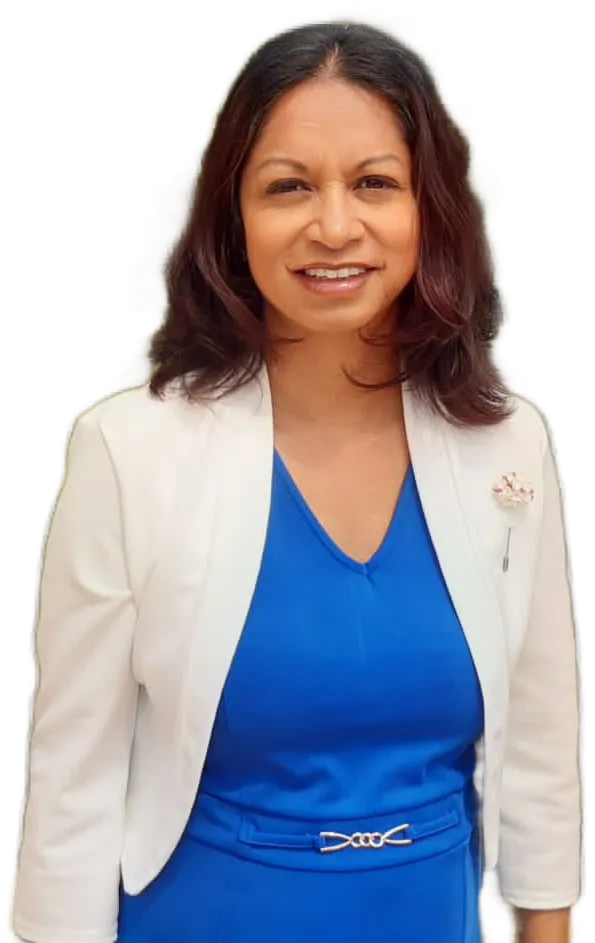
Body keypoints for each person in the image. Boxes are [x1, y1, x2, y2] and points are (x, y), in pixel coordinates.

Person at [8, 21, 580, 943]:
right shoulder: (131, 451)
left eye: (374, 183)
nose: (334, 226)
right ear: (234, 216)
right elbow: (74, 782)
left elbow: (542, 752)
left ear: (427, 207)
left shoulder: (502, 444)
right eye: (288, 186)